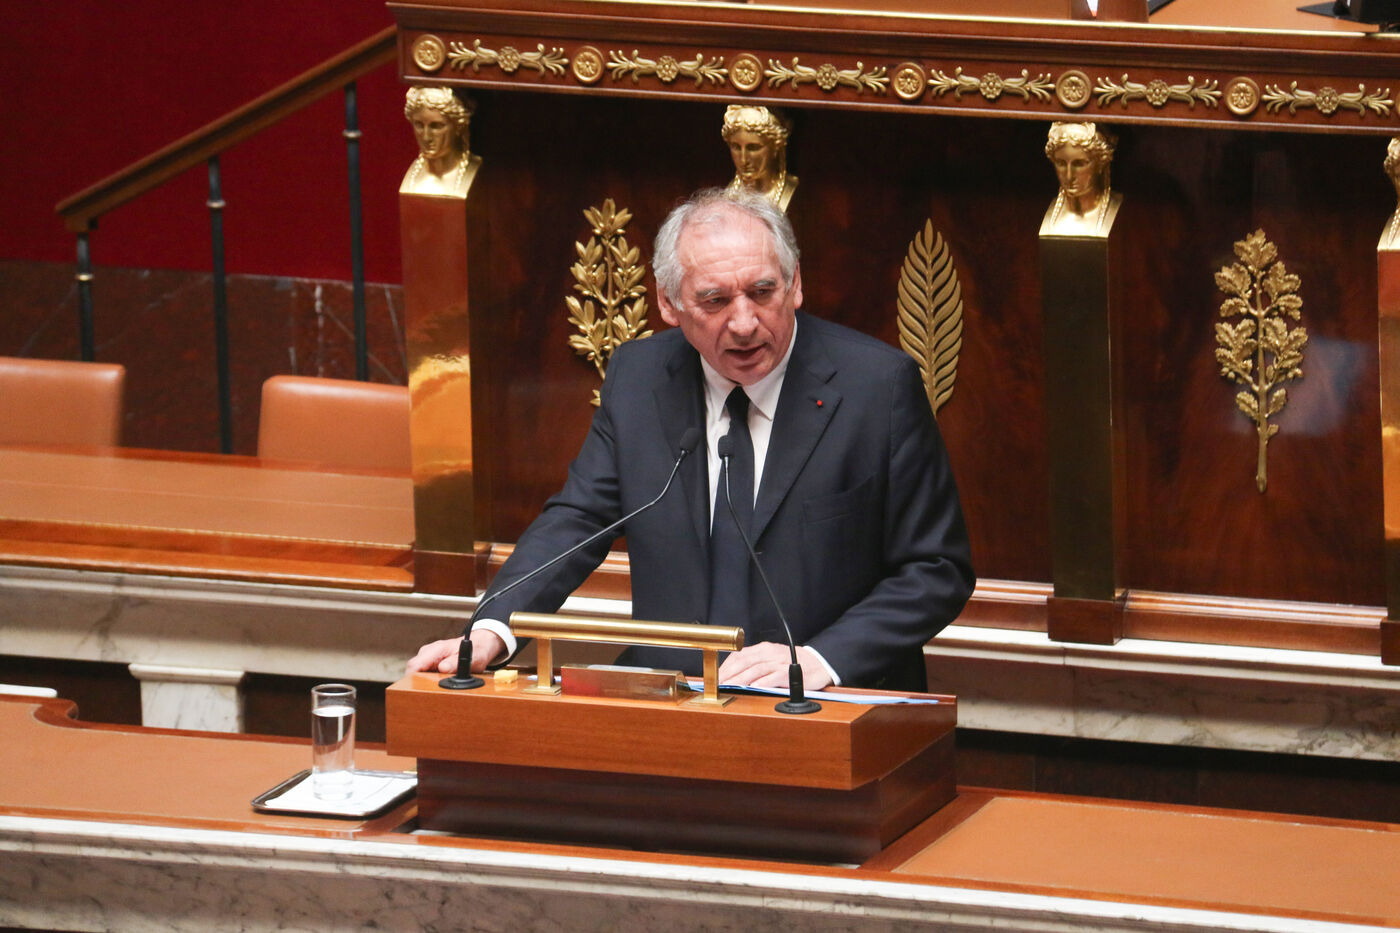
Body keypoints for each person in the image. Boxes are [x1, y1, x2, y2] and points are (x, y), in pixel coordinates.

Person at [408, 187, 974, 691]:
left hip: (824, 699)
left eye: (762, 291)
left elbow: (936, 568)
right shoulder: (639, 378)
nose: (745, 323)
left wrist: (821, 659)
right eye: (715, 301)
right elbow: (579, 519)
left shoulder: (877, 388)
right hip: (670, 695)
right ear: (668, 303)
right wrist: (493, 628)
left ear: (796, 284)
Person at [1042, 121, 1120, 237]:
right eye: (1061, 163)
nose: (1069, 176)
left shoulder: (1122, 213)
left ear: (1100, 164)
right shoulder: (1040, 213)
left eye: (1079, 164)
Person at [400, 87, 479, 198]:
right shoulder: (412, 177)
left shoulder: (475, 171)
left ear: (458, 127)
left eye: (436, 126)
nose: (426, 137)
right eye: (419, 125)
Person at [722, 105, 798, 212]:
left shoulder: (792, 190)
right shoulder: (730, 193)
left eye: (753, 148)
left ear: (775, 147)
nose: (743, 159)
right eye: (736, 147)